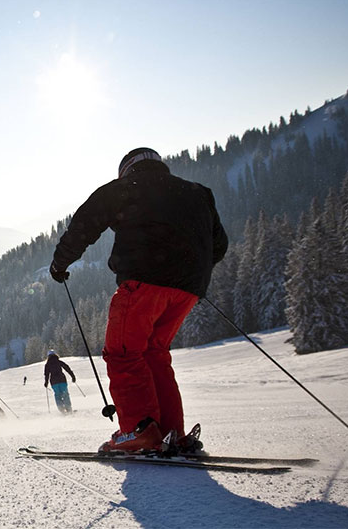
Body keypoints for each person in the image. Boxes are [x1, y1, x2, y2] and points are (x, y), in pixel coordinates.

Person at [49, 147, 228, 452]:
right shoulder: (198, 193)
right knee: (154, 353)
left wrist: (59, 263)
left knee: (123, 353)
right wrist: (189, 273)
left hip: (143, 283)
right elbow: (219, 245)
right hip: (187, 290)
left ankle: (137, 431)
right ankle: (172, 432)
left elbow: (85, 224)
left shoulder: (126, 187)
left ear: (128, 169)